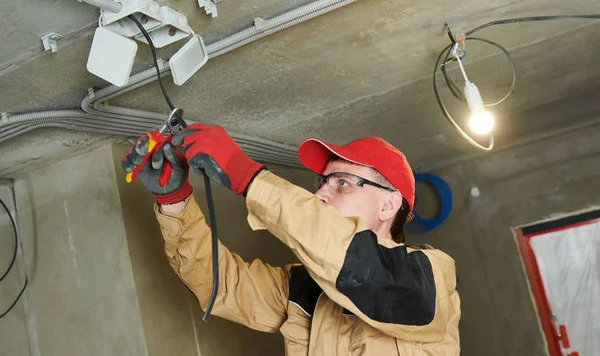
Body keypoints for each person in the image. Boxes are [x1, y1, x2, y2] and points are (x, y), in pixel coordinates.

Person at [122, 124, 461, 355]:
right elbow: (222, 286)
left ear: (389, 203)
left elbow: (359, 265)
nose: (321, 195)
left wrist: (245, 175)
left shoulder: (427, 278)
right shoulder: (304, 285)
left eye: (341, 183)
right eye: (322, 183)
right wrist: (175, 201)